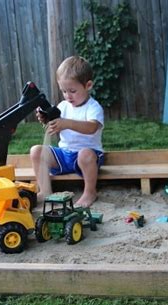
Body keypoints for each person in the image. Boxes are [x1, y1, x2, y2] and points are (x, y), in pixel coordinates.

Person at [30, 56, 104, 207]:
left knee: (86, 154)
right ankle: (45, 191)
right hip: (64, 155)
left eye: (72, 91)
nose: (68, 96)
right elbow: (55, 123)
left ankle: (90, 192)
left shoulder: (93, 107)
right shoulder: (63, 106)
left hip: (87, 158)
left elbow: (91, 128)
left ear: (88, 85)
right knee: (36, 151)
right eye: (64, 91)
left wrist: (67, 123)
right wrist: (46, 119)